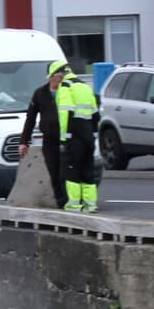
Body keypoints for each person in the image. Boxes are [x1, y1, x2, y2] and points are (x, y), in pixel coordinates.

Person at [17, 60, 69, 208]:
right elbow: (30, 118)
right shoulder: (40, 93)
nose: (62, 77)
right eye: (60, 74)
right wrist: (24, 141)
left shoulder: (67, 92)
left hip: (67, 139)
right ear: (51, 76)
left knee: (66, 172)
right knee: (54, 172)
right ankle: (61, 202)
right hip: (50, 139)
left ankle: (70, 201)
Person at [57, 65, 101, 214]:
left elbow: (65, 113)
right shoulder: (85, 86)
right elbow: (96, 115)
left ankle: (73, 205)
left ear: (60, 75)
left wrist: (64, 138)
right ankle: (90, 205)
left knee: (72, 171)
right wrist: (93, 136)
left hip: (74, 137)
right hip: (88, 137)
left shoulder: (66, 86)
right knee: (87, 171)